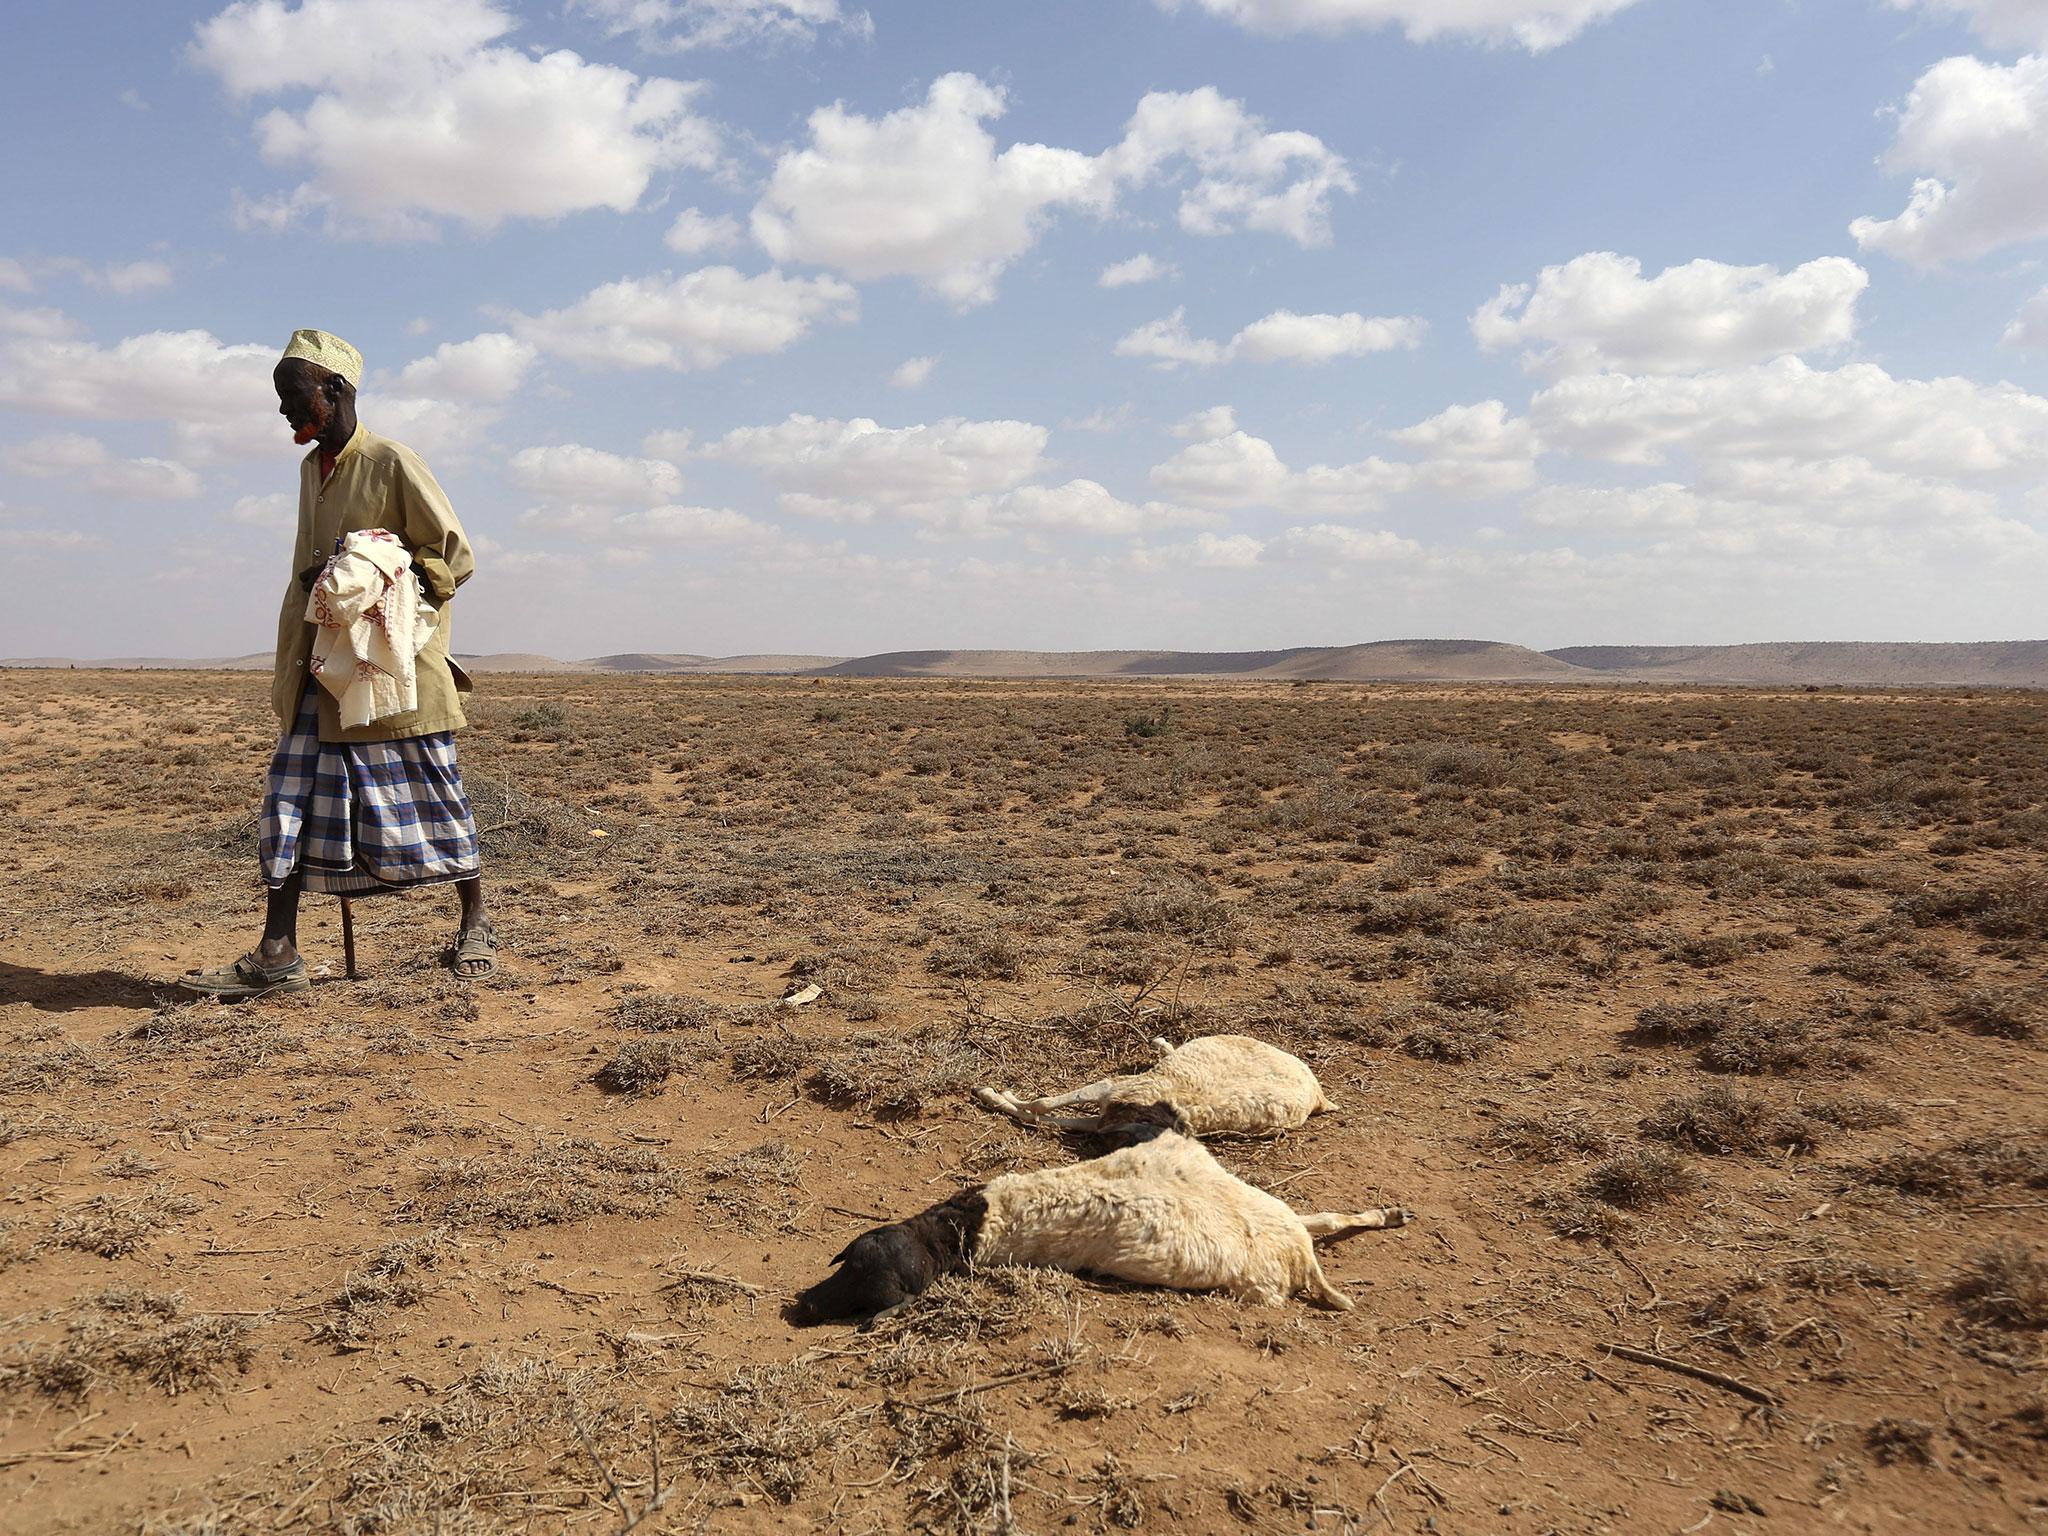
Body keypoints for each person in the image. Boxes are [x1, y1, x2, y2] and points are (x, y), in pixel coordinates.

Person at [181, 329, 496, 999]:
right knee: (288, 802)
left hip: (389, 670)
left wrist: (378, 569)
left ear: (336, 390)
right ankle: (278, 951)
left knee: (433, 794)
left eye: (293, 397)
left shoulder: (390, 461)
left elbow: (454, 558)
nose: (285, 413)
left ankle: (475, 924)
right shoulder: (309, 470)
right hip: (316, 665)